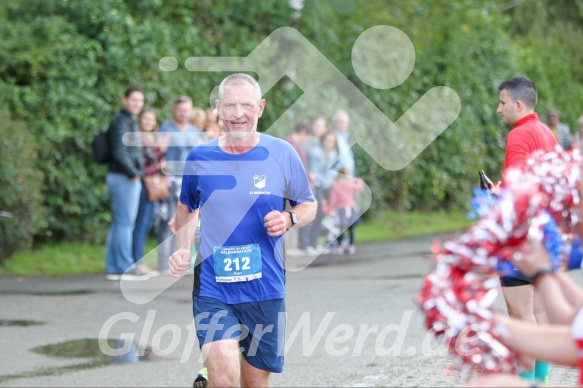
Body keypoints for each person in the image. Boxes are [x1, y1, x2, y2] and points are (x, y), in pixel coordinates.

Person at [168, 73, 317, 387]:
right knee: (223, 380)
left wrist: (289, 219)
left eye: (246, 105)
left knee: (254, 383)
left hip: (265, 287)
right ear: (218, 109)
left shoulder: (282, 154)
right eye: (230, 106)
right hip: (213, 288)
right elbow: (186, 208)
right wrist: (183, 248)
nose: (238, 114)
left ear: (260, 108)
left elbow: (308, 204)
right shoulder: (200, 158)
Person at [494, 76, 558, 382]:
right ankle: (542, 381)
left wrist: (499, 193)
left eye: (502, 102)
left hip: (521, 235)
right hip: (547, 234)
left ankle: (527, 381)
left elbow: (517, 184)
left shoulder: (518, 136)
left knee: (521, 316)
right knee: (541, 314)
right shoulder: (546, 132)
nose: (498, 109)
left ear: (518, 105)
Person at [105, 87, 151, 281]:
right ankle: (124, 267)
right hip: (124, 178)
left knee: (120, 224)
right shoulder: (122, 121)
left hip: (123, 176)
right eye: (134, 100)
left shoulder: (128, 120)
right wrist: (133, 173)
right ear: (125, 100)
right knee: (125, 224)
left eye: (140, 101)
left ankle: (115, 268)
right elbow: (119, 151)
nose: (137, 104)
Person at [157, 96, 203, 268]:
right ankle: (164, 264)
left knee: (190, 222)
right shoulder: (165, 129)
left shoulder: (193, 131)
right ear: (173, 110)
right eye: (180, 110)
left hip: (190, 183)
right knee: (169, 222)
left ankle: (186, 261)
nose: (183, 114)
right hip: (171, 181)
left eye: (186, 110)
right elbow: (157, 155)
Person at [131, 107, 169, 275]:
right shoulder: (140, 138)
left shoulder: (151, 138)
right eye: (146, 118)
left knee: (146, 224)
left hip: (152, 186)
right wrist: (161, 151)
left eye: (152, 119)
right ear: (140, 120)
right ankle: (136, 262)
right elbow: (146, 165)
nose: (149, 122)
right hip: (144, 186)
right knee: (140, 224)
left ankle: (138, 261)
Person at [284, 122, 311, 253]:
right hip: (290, 186)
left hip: (295, 185)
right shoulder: (290, 145)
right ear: (303, 133)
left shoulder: (293, 145)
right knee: (291, 213)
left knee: (295, 213)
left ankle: (292, 246)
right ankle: (289, 247)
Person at [328, 167, 364, 255]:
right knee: (351, 228)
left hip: (340, 209)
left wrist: (330, 208)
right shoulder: (349, 184)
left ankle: (339, 246)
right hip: (350, 208)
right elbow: (359, 187)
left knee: (340, 228)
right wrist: (359, 180)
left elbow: (333, 199)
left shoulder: (335, 186)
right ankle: (351, 245)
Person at [331, 110, 355, 176]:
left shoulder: (348, 138)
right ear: (334, 123)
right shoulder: (331, 137)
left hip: (349, 177)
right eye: (340, 122)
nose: (342, 124)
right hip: (336, 176)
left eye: (344, 122)